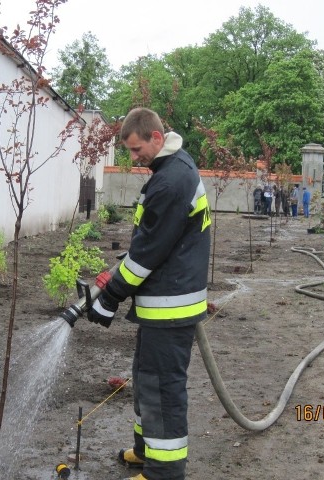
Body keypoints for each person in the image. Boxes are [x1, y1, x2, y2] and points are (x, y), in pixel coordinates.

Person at [87, 107, 211, 480]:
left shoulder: (171, 181)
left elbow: (147, 254)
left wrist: (111, 296)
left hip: (170, 306)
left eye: (138, 149)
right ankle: (146, 451)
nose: (134, 158)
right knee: (147, 379)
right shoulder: (172, 168)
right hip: (162, 301)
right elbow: (154, 241)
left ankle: (165, 472)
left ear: (157, 138)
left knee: (162, 388)